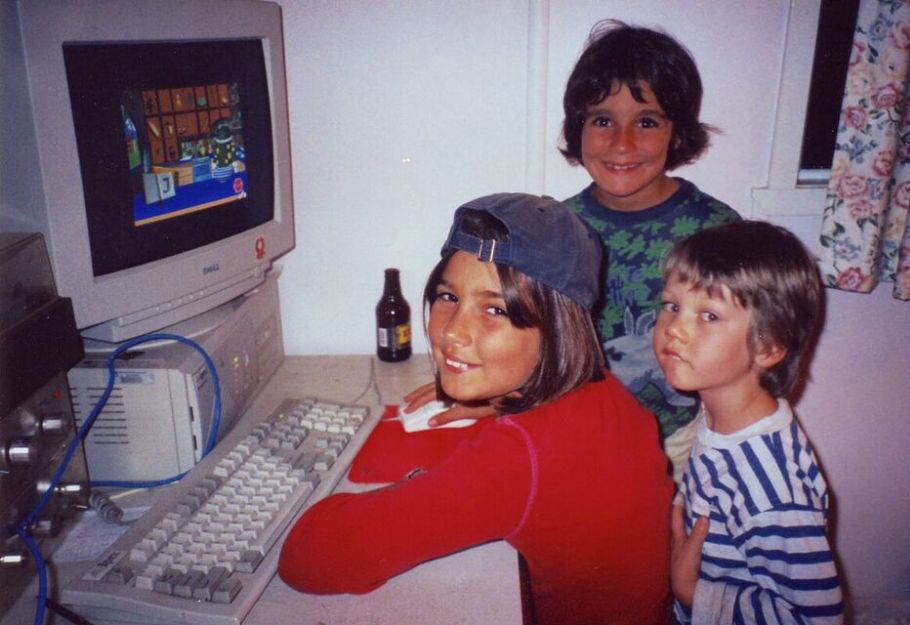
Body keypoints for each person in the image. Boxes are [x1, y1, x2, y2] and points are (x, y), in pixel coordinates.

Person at [279, 193, 674, 625]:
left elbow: (307, 560)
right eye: (448, 297)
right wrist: (503, 402)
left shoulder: (516, 460)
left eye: (494, 309)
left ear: (560, 327)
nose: (453, 334)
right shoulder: (603, 390)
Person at [406, 20, 740, 480]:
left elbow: (747, 355)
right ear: (576, 128)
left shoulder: (719, 232)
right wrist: (494, 390)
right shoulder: (550, 229)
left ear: (677, 133)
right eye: (602, 120)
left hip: (673, 448)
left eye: (646, 122)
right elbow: (528, 338)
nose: (622, 143)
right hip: (567, 431)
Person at [656, 221, 844, 624]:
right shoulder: (721, 416)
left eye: (708, 314)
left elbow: (818, 618)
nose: (675, 328)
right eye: (672, 305)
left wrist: (691, 592)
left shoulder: (772, 488)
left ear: (769, 347)